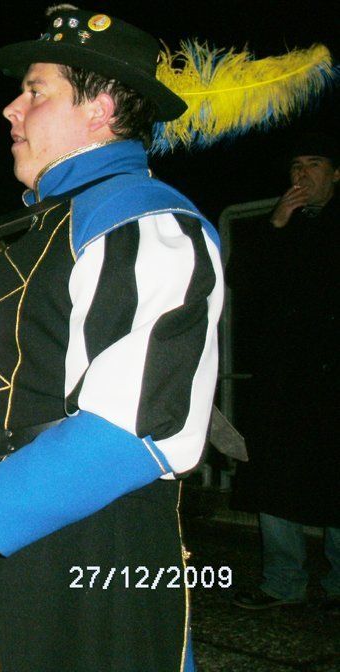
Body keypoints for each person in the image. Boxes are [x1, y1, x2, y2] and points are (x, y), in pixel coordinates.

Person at [0, 6, 223, 671]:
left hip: (91, 547)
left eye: (36, 91)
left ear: (100, 110)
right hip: (12, 523)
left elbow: (138, 427)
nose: (12, 109)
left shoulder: (142, 224)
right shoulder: (52, 224)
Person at [231, 132, 339, 612]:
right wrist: (276, 223)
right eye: (296, 165)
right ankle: (282, 580)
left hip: (332, 374)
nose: (302, 174)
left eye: (314, 163)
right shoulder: (276, 225)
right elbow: (240, 280)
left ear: (335, 173)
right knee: (274, 475)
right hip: (282, 375)